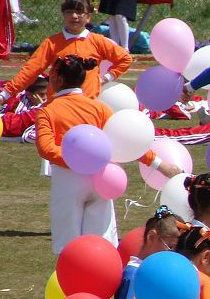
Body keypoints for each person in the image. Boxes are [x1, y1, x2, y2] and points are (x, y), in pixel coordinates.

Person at [34, 54, 179, 253]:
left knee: (68, 246)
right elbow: (125, 142)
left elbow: (46, 148)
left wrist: (78, 160)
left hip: (68, 181)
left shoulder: (47, 111)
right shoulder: (99, 108)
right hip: (101, 178)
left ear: (57, 79)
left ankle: (70, 282)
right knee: (101, 246)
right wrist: (161, 165)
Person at [0, 0, 131, 106]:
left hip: (88, 104)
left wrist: (106, 78)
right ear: (64, 15)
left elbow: (125, 59)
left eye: (80, 12)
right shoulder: (52, 43)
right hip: (58, 105)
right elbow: (30, 70)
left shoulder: (97, 41)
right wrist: (5, 94)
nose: (74, 16)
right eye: (69, 12)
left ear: (88, 17)